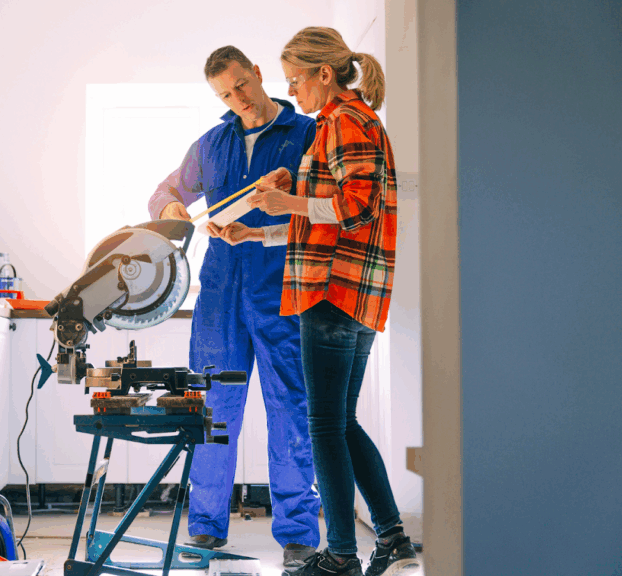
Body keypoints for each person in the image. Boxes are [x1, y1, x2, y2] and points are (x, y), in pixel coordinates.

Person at [208, 27, 419, 576]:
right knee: (341, 421)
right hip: (349, 289)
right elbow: (319, 222)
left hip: (332, 291)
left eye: (295, 80)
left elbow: (355, 208)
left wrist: (289, 199)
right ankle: (393, 537)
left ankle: (342, 555)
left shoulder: (345, 120)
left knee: (323, 424)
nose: (291, 92)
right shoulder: (339, 123)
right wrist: (256, 232)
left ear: (324, 74)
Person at [148, 45, 321, 568]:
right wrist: (173, 206)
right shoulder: (212, 143)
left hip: (283, 291)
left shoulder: (305, 133)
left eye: (241, 85)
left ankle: (298, 533)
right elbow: (164, 191)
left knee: (290, 409)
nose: (238, 99)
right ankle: (205, 526)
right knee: (212, 410)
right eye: (225, 94)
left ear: (258, 74)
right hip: (220, 296)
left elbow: (321, 211)